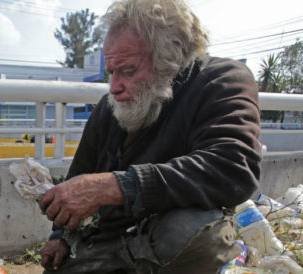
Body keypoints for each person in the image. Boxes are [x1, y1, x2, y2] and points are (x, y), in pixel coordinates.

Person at [38, 0, 262, 273]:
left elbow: (233, 167)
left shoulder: (222, 81)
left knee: (193, 230)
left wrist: (114, 186)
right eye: (112, 73)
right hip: (106, 243)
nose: (115, 87)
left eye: (129, 71)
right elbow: (79, 177)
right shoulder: (109, 108)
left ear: (171, 60)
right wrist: (59, 237)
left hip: (160, 242)